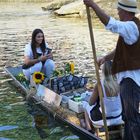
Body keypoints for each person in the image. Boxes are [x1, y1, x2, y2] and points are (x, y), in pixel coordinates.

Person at [83, 0, 140, 139]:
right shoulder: (132, 27)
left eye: (119, 10)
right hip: (128, 81)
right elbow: (120, 50)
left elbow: (111, 23)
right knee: (127, 118)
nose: (118, 12)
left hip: (130, 81)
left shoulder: (131, 26)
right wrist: (105, 58)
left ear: (125, 11)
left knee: (132, 119)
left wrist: (93, 5)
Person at [82, 61, 122, 132]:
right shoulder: (119, 81)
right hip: (118, 116)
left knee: (85, 104)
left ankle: (88, 128)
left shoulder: (100, 84)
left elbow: (91, 103)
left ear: (103, 71)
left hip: (103, 119)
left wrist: (88, 98)